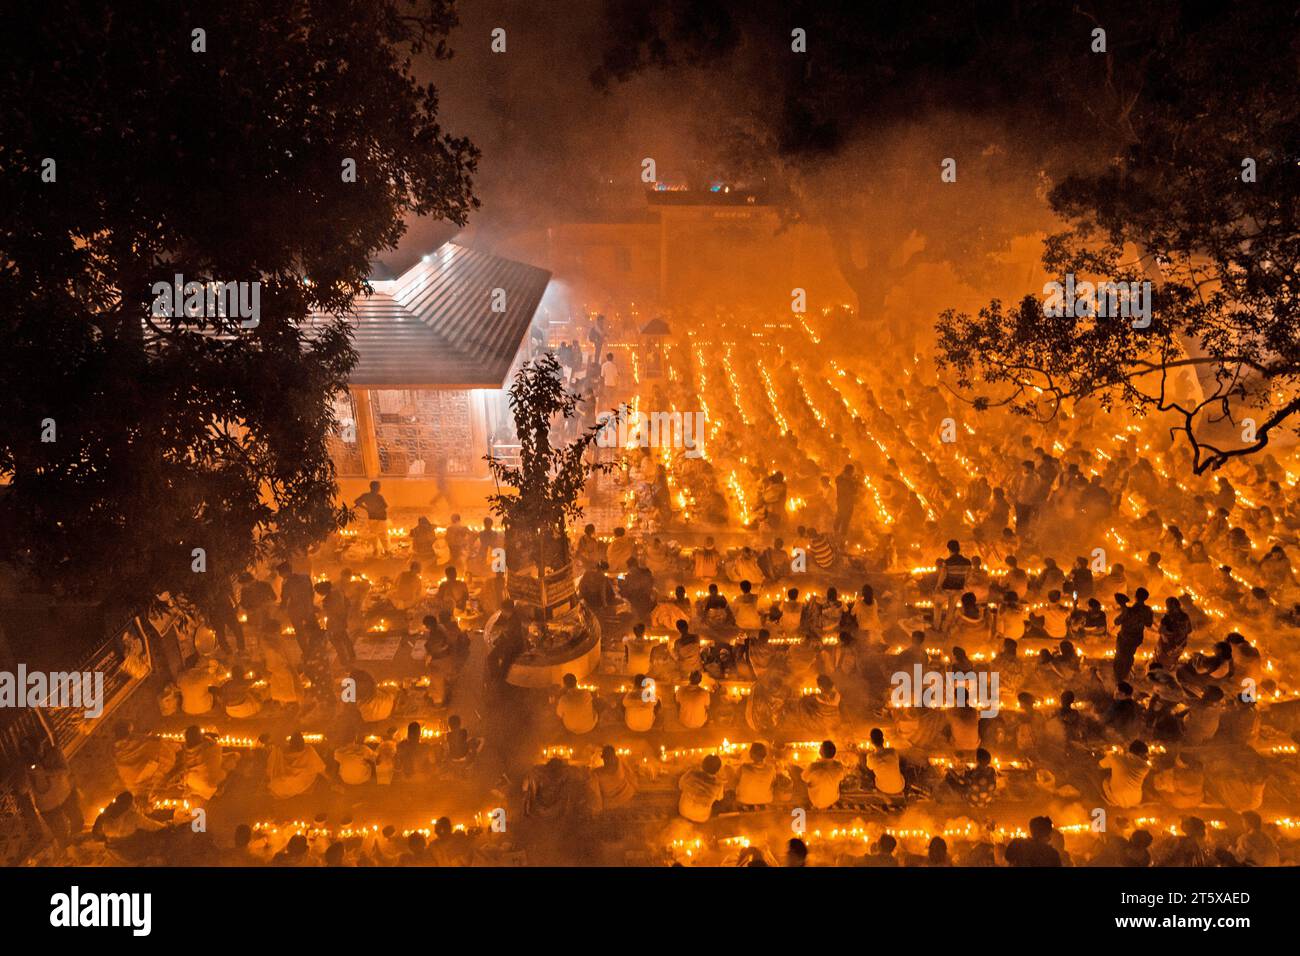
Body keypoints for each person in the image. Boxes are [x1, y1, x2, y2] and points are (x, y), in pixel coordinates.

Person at [268, 732, 327, 799]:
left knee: (280, 782)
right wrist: (329, 778)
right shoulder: (309, 749)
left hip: (285, 780)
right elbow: (319, 766)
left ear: (291, 742)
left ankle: (286, 787)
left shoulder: (283, 750)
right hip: (302, 780)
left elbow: (273, 763)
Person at [1113, 587, 1154, 682]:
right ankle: (1126, 674)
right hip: (1136, 638)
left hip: (1124, 638)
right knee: (1129, 655)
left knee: (1120, 657)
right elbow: (1149, 624)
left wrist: (1124, 608)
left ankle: (1119, 677)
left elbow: (1117, 622)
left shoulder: (1129, 610)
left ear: (1135, 596)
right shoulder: (1148, 610)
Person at [1100, 740, 1150, 808]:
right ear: (1141, 754)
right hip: (1136, 800)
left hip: (1115, 799)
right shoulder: (1145, 767)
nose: (1146, 757)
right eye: (1145, 754)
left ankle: (1107, 801)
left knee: (1106, 780)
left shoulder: (1115, 758)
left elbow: (1099, 766)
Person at [678, 755, 725, 824]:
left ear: (702, 764)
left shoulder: (691, 774)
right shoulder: (718, 785)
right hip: (701, 817)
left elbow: (680, 785)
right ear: (718, 770)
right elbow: (720, 798)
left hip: (683, 812)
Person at [592, 745, 638, 811]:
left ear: (613, 757)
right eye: (606, 758)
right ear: (603, 759)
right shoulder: (597, 773)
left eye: (609, 757)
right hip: (613, 800)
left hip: (624, 795)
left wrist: (634, 786)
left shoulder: (620, 765)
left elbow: (630, 775)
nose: (607, 760)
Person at [804, 740, 847, 810]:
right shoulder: (839, 766)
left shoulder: (813, 766)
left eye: (820, 747)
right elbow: (842, 777)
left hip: (816, 801)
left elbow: (804, 778)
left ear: (821, 752)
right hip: (832, 799)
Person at [353, 481, 390, 557]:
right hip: (381, 518)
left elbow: (356, 501)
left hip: (372, 517)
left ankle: (375, 550)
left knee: (374, 535)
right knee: (383, 535)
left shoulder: (366, 496)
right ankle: (386, 551)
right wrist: (374, 510)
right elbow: (385, 506)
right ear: (375, 487)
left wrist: (367, 508)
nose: (379, 488)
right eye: (378, 486)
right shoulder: (379, 497)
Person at [866, 728, 905, 797]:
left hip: (883, 788)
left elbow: (869, 767)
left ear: (871, 742)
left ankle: (883, 795)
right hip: (900, 786)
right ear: (883, 740)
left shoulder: (871, 757)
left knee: (868, 768)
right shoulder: (893, 751)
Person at [834, 463, 859, 539]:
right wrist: (855, 483)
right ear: (850, 471)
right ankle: (842, 536)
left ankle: (835, 530)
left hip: (840, 501)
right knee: (846, 519)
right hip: (848, 502)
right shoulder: (850, 482)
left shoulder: (839, 478)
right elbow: (854, 492)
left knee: (839, 515)